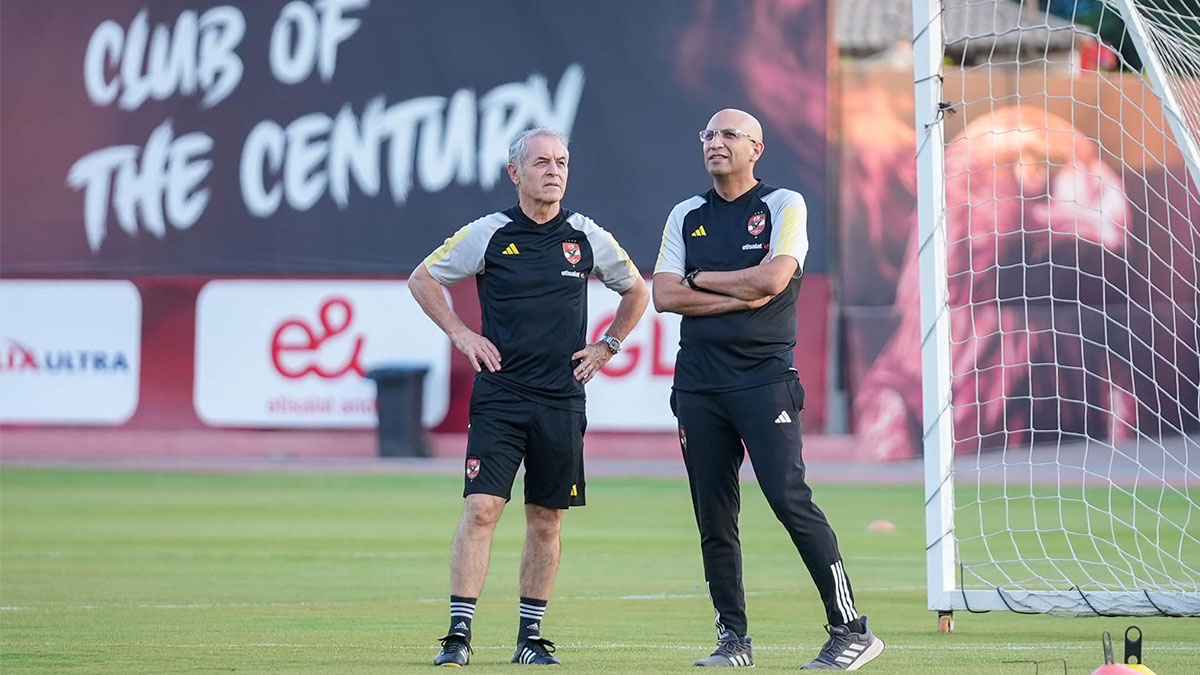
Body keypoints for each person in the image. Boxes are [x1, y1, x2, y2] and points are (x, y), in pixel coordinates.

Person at [652, 109, 885, 670]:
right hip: (699, 383)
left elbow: (773, 280)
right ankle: (733, 640)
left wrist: (699, 279)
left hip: (763, 380)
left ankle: (851, 629)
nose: (716, 142)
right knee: (714, 516)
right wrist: (738, 293)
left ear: (757, 148)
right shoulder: (686, 214)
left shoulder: (783, 205)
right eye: (709, 134)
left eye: (730, 134)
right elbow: (663, 295)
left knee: (788, 498)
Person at [409, 128, 650, 667]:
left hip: (561, 399)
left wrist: (608, 346)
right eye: (541, 162)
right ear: (515, 173)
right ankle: (458, 635)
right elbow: (422, 279)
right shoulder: (489, 233)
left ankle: (531, 639)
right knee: (482, 509)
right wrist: (461, 333)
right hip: (501, 395)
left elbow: (637, 290)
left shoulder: (586, 236)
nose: (554, 171)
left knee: (546, 519)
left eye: (561, 162)